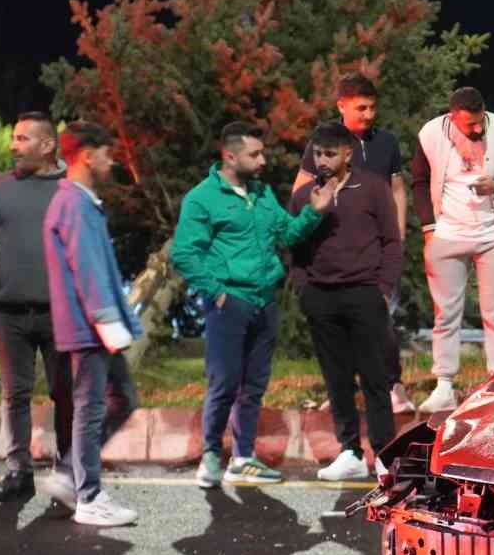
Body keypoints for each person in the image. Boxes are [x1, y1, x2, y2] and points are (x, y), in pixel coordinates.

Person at [172, 122, 336, 488]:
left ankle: (243, 458)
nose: (263, 160)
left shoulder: (262, 194)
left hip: (264, 302)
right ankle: (212, 455)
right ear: (229, 156)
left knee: (254, 386)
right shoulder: (202, 198)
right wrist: (217, 292)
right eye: (254, 154)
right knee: (224, 383)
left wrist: (314, 211)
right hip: (229, 302)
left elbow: (288, 234)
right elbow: (185, 254)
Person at [289, 122, 403, 481]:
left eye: (330, 153)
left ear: (348, 153)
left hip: (365, 292)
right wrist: (303, 288)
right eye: (318, 154)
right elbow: (294, 245)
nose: (322, 160)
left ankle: (385, 454)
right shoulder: (305, 194)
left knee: (375, 377)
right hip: (320, 295)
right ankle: (350, 451)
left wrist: (384, 288)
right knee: (336, 378)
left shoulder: (372, 187)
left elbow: (391, 240)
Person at [292, 74, 413, 415]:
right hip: (335, 250)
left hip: (376, 251)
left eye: (373, 106)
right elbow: (300, 190)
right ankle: (343, 389)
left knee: (383, 320)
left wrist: (398, 236)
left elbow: (397, 190)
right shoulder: (324, 143)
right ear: (341, 106)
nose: (369, 114)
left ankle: (393, 386)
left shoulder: (386, 142)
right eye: (362, 107)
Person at [41, 123, 142, 526]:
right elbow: (86, 269)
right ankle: (89, 496)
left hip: (92, 325)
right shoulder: (74, 204)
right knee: (93, 409)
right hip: (88, 326)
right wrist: (107, 321)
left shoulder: (81, 201)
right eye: (106, 153)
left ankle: (70, 475)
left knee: (122, 400)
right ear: (87, 155)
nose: (111, 160)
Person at [410, 87, 494, 413]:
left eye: (479, 122)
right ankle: (445, 384)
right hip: (447, 233)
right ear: (452, 117)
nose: (476, 129)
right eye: (469, 125)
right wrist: (429, 228)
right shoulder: (431, 133)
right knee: (445, 313)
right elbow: (419, 180)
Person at [0, 112, 76, 508]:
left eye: (22, 139)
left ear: (47, 145)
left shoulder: (72, 188)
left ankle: (69, 474)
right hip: (9, 312)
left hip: (60, 313)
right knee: (14, 394)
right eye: (14, 138)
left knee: (66, 394)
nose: (13, 145)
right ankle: (18, 471)